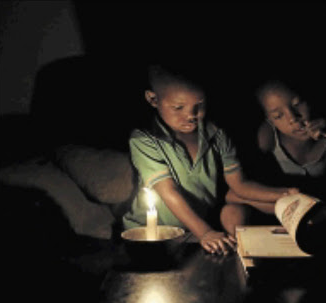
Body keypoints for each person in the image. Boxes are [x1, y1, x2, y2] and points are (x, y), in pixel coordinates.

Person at [122, 66, 298, 255]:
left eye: (200, 105)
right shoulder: (145, 140)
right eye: (178, 107)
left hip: (196, 233)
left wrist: (286, 193)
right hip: (152, 235)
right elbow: (168, 192)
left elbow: (239, 185)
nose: (191, 114)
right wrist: (205, 232)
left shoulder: (216, 135)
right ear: (153, 99)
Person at [226, 80, 326, 216]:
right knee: (232, 204)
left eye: (297, 104)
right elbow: (238, 191)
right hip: (281, 206)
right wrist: (288, 196)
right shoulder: (268, 136)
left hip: (320, 209)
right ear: (270, 120)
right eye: (278, 116)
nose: (293, 118)